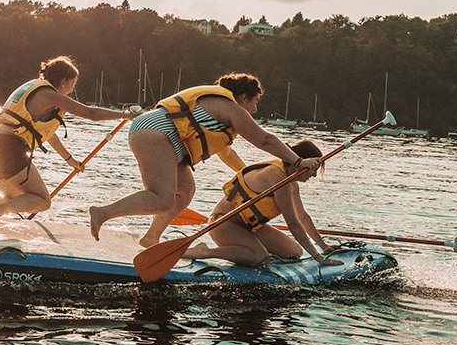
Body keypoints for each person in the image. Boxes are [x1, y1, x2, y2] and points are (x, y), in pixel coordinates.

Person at [89, 73, 322, 247]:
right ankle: (102, 213)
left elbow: (226, 153)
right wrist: (298, 161)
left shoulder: (222, 113)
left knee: (185, 192)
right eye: (255, 102)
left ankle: (151, 238)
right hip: (155, 131)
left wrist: (249, 179)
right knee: (162, 198)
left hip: (169, 140)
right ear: (243, 98)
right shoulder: (232, 108)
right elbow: (265, 139)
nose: (254, 109)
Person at [0, 56, 138, 231]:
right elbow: (91, 114)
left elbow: (49, 135)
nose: (72, 90)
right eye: (72, 84)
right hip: (8, 148)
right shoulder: (51, 96)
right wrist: (125, 115)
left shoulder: (33, 87)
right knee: (43, 201)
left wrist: (70, 160)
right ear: (63, 81)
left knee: (21, 198)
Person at [183, 139, 342, 268]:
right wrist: (318, 258)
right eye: (313, 168)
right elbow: (293, 223)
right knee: (259, 257)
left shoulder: (291, 183)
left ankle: (247, 249)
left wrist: (323, 246)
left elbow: (302, 217)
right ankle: (204, 251)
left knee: (294, 252)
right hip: (223, 223)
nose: (314, 175)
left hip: (248, 227)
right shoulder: (278, 177)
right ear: (300, 162)